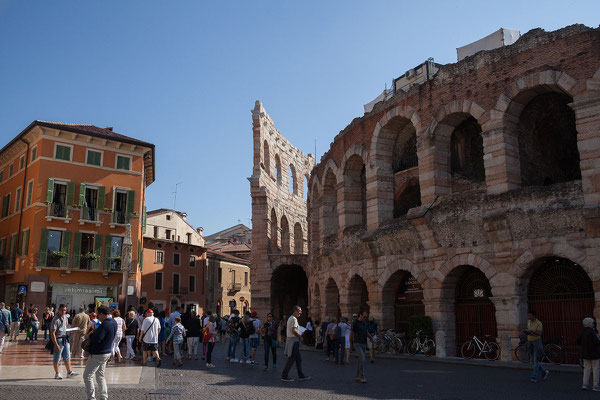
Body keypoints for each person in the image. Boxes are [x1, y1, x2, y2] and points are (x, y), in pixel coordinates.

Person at [83, 305, 117, 400]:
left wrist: (92, 334)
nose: (97, 317)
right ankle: (103, 396)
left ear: (102, 314)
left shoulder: (105, 324)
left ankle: (91, 397)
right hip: (107, 352)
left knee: (87, 376)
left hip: (98, 353)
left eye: (98, 315)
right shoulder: (113, 322)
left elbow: (98, 339)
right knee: (100, 375)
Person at [281, 306, 310, 382]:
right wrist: (300, 336)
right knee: (291, 359)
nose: (300, 312)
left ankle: (301, 375)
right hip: (293, 340)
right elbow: (293, 330)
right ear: (295, 311)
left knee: (298, 359)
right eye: (299, 311)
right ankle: (284, 375)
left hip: (293, 340)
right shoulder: (293, 319)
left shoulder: (291, 318)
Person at [50, 304, 78, 379]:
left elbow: (66, 326)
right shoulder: (56, 319)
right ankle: (57, 373)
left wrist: (69, 331)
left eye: (64, 310)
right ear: (58, 310)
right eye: (62, 310)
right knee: (57, 357)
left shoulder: (65, 317)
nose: (63, 311)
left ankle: (69, 372)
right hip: (58, 339)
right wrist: (56, 344)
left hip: (65, 338)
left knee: (67, 356)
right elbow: (52, 333)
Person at [525, 310, 549, 383]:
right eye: (528, 315)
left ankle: (534, 376)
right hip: (530, 342)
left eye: (530, 315)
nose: (529, 317)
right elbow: (528, 330)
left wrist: (532, 331)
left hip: (536, 342)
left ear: (534, 316)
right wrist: (526, 331)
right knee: (532, 361)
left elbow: (539, 333)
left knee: (536, 360)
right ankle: (544, 372)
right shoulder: (528, 322)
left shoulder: (539, 323)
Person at [350, 310, 373, 383]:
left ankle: (357, 376)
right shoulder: (355, 323)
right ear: (360, 315)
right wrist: (350, 345)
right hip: (357, 343)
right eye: (364, 316)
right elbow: (351, 334)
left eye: (366, 316)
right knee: (363, 359)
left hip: (363, 343)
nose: (365, 317)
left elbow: (366, 332)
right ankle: (362, 377)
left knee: (360, 360)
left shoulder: (364, 323)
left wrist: (371, 338)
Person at [578, 317, 600, 391]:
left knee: (586, 369)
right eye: (592, 323)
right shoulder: (592, 332)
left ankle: (584, 385)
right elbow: (597, 342)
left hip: (585, 353)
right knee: (596, 369)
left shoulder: (582, 331)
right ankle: (595, 386)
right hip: (594, 353)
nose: (593, 324)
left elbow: (578, 341)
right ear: (590, 324)